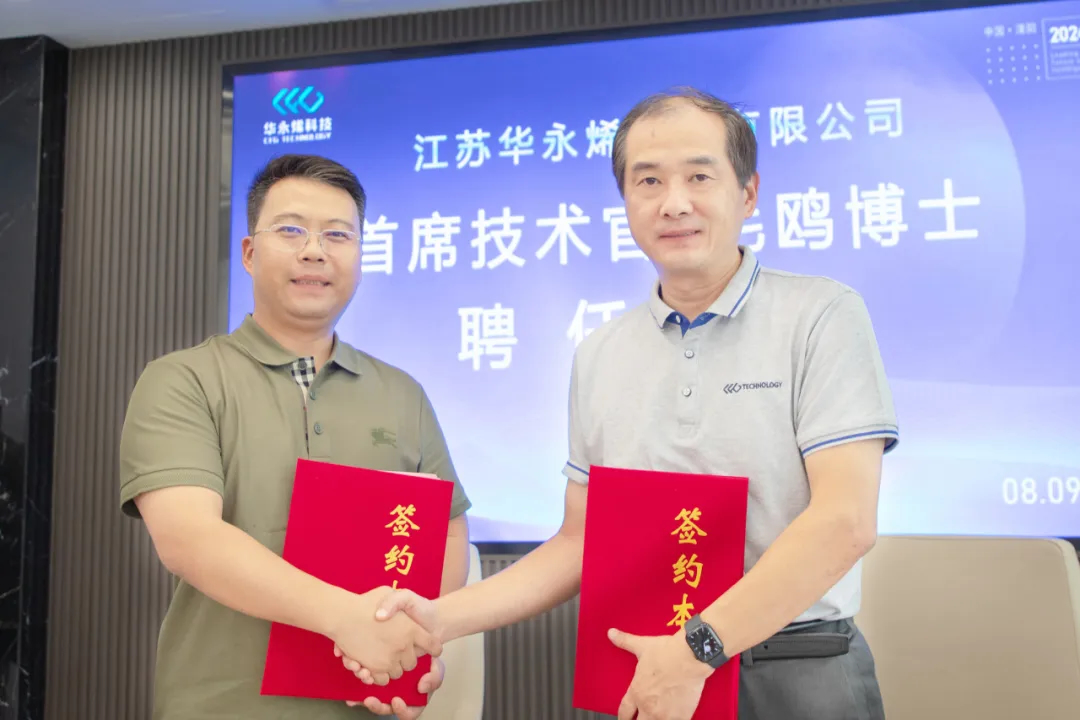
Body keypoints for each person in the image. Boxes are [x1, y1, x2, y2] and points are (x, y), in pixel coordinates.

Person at [347, 87, 898, 720]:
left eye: (699, 176)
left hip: (795, 664)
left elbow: (844, 522)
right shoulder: (600, 353)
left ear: (748, 193)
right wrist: (440, 618)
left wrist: (697, 649)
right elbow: (579, 542)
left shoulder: (821, 314)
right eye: (648, 181)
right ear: (626, 202)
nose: (674, 202)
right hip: (650, 667)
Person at [118, 153, 472, 720]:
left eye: (338, 235)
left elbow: (447, 530)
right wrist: (347, 620)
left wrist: (416, 641)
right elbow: (188, 538)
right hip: (222, 704)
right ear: (249, 253)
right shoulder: (183, 380)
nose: (315, 250)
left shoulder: (403, 393)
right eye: (290, 230)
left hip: (367, 703)